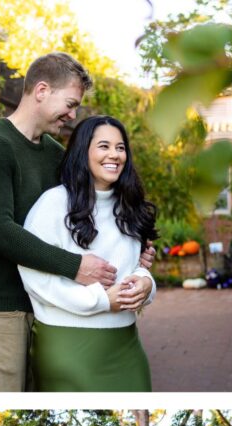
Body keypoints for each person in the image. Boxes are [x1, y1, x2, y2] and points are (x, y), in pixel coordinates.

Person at [0, 52, 150, 392]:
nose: (73, 115)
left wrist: (137, 257)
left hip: (47, 307)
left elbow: (81, 213)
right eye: (70, 103)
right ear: (42, 90)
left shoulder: (52, 153)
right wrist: (74, 265)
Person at [18, 115, 157, 391]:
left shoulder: (130, 206)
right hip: (68, 346)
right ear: (84, 151)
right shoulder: (54, 204)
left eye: (120, 148)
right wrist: (102, 300)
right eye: (104, 146)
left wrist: (146, 283)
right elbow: (34, 278)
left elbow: (136, 265)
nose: (115, 155)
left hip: (126, 346)